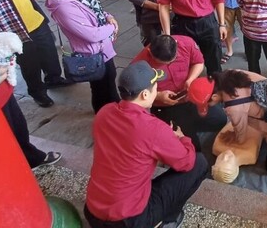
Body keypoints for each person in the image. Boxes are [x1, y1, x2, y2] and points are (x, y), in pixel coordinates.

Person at [84, 61, 208, 228]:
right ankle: (168, 220)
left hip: (93, 211)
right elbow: (186, 163)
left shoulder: (104, 112)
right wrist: (181, 139)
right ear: (144, 94)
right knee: (198, 163)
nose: (157, 90)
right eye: (156, 87)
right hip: (128, 221)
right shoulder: (154, 129)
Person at [42, 0, 121, 113]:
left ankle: (114, 111)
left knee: (109, 81)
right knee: (102, 89)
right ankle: (105, 117)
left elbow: (93, 7)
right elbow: (91, 35)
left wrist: (108, 16)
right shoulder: (63, 6)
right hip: (94, 53)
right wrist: (111, 27)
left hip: (103, 48)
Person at [132, 34, 227, 151]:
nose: (168, 65)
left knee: (220, 119)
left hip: (190, 96)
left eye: (172, 60)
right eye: (162, 63)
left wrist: (190, 79)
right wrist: (159, 96)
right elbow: (135, 94)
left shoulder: (186, 43)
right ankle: (178, 131)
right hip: (166, 106)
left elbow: (198, 62)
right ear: (150, 51)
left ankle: (187, 128)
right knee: (193, 148)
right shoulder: (139, 65)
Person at [0, 64, 62, 169]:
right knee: (4, 139)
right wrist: (3, 73)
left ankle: (30, 157)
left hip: (3, 91)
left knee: (18, 128)